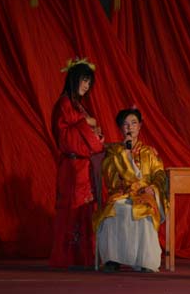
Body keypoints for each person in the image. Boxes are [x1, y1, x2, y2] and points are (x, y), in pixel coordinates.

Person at [93, 107, 167, 273]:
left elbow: (160, 174)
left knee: (144, 212)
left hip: (143, 194)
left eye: (134, 123)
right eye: (126, 124)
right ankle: (113, 259)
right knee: (114, 210)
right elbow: (110, 177)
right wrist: (124, 155)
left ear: (140, 126)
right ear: (121, 128)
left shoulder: (149, 152)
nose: (130, 127)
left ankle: (144, 260)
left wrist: (153, 187)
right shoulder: (114, 151)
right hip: (122, 193)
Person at [50, 58, 104, 269]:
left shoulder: (79, 106)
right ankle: (68, 257)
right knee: (71, 209)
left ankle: (83, 256)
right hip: (73, 167)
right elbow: (65, 138)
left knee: (85, 210)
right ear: (73, 79)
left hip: (84, 167)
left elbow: (90, 132)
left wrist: (95, 132)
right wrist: (87, 125)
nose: (86, 85)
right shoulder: (64, 104)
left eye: (89, 82)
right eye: (83, 80)